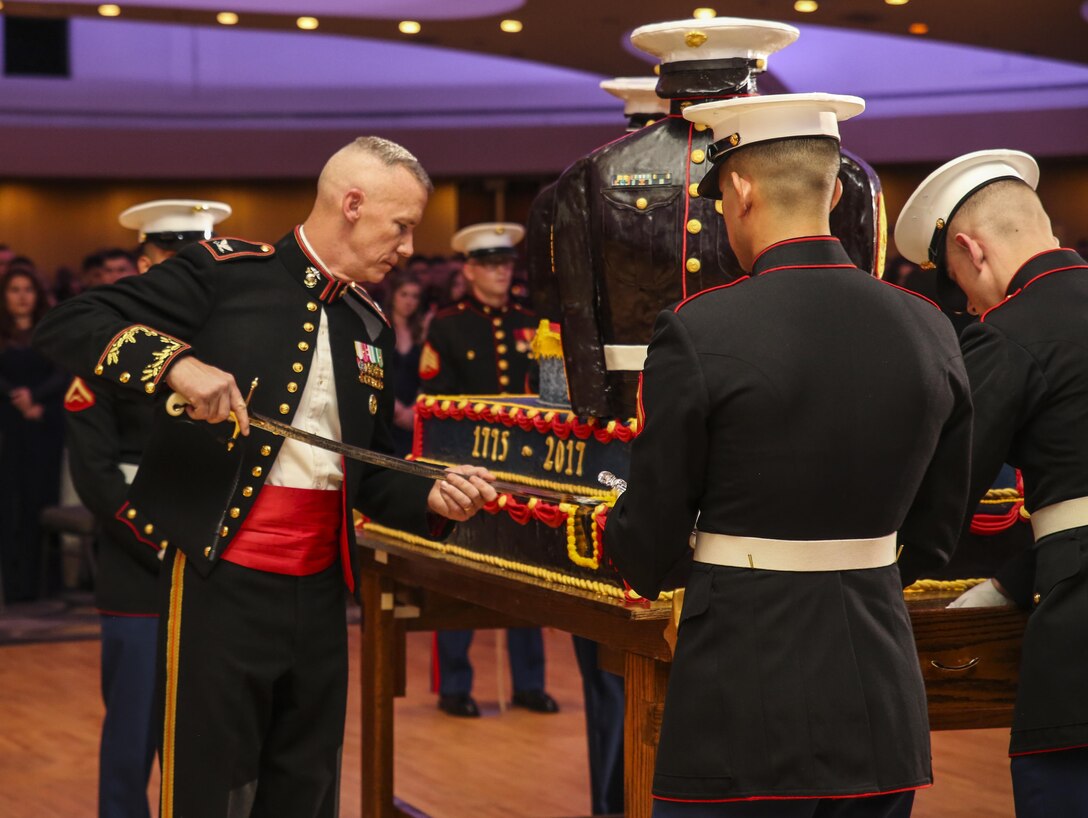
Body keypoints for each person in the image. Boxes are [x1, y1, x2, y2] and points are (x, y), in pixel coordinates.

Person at [34, 136, 497, 818]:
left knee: (306, 783)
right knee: (210, 783)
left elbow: (368, 467)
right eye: (400, 227)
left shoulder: (366, 322)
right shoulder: (225, 273)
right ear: (352, 205)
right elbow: (71, 322)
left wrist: (430, 491)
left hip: (321, 595)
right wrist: (175, 365)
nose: (406, 249)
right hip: (222, 583)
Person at [603, 93, 972, 816]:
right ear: (834, 193)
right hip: (878, 689)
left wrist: (646, 561)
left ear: (738, 190)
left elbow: (652, 526)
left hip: (742, 689)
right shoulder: (928, 325)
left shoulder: (701, 326)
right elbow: (937, 531)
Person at [550, 17, 886, 420]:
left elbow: (857, 291)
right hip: (642, 395)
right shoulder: (596, 171)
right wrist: (594, 410)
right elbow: (578, 304)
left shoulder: (838, 172)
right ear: (753, 70)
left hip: (773, 387)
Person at [895, 150, 1088, 817]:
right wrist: (1012, 576)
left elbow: (943, 494)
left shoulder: (1008, 333)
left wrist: (872, 577)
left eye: (955, 278)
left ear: (969, 249)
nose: (970, 301)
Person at [64, 199, 230, 818]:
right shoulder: (104, 346)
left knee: (211, 729)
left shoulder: (225, 342)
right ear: (143, 262)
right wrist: (158, 536)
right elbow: (96, 473)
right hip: (142, 555)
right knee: (133, 728)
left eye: (198, 258)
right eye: (171, 258)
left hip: (215, 559)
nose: (186, 272)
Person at [420, 222, 558, 718]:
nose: (502, 273)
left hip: (522, 467)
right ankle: (455, 686)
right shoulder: (448, 324)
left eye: (507, 264)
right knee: (459, 568)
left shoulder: (532, 321)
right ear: (470, 269)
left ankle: (530, 682)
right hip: (464, 462)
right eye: (492, 265)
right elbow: (435, 398)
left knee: (526, 571)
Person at [0, 264, 66, 603]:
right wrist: (18, 398)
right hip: (7, 429)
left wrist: (36, 400)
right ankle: (13, 587)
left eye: (28, 289)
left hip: (44, 426)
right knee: (8, 506)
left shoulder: (49, 331)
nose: (22, 296)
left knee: (41, 503)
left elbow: (65, 373)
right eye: (14, 289)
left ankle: (45, 586)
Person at [381, 269, 425, 456]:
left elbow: (428, 376)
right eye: (404, 294)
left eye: (415, 296)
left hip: (415, 415)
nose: (409, 301)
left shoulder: (421, 332)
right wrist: (397, 411)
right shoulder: (380, 328)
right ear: (393, 296)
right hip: (384, 412)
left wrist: (415, 410)